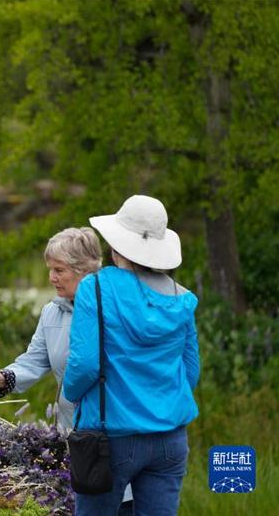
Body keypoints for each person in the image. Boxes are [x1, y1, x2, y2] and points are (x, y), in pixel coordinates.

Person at [63, 195, 200, 516]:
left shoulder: (95, 287)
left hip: (111, 437)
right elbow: (190, 370)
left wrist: (71, 396)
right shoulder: (183, 298)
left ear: (116, 243)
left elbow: (84, 364)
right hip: (170, 439)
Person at [0, 227, 102, 431]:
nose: (51, 277)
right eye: (50, 269)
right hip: (70, 434)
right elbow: (34, 361)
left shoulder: (112, 311)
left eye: (59, 270)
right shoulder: (51, 312)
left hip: (112, 434)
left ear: (84, 271)